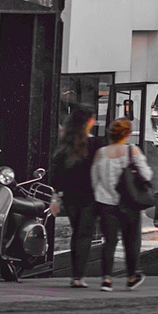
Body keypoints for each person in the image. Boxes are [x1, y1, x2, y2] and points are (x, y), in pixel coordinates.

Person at [91, 118, 152, 292]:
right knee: (131, 241)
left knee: (109, 242)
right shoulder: (133, 151)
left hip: (106, 203)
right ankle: (132, 276)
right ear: (127, 134)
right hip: (129, 204)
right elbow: (146, 175)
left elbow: (95, 179)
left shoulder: (101, 153)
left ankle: (106, 280)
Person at [49, 106, 106, 288]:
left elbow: (57, 174)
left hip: (71, 196)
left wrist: (55, 197)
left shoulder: (65, 144)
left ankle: (76, 275)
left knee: (77, 234)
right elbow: (101, 171)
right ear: (89, 122)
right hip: (91, 196)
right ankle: (78, 276)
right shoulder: (97, 144)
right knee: (85, 234)